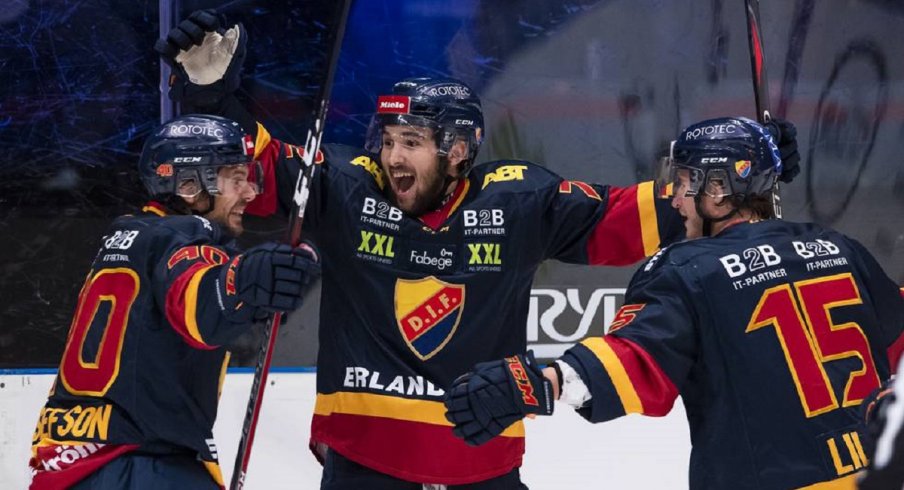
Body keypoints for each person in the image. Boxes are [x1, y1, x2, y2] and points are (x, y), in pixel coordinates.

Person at [154, 13, 800, 488]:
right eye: (386, 139)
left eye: (411, 141)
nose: (391, 155)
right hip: (364, 465)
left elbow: (648, 213)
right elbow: (256, 179)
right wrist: (218, 101)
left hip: (482, 466)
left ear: (459, 150)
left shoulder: (518, 200)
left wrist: (744, 171)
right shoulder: (346, 189)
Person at [444, 116, 904, 489]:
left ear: (720, 190)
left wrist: (538, 383)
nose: (676, 198)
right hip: (875, 475)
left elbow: (637, 360)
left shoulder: (687, 271)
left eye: (685, 183)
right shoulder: (840, 248)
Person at [28, 114, 320, 489]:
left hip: (73, 465)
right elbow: (200, 305)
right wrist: (244, 279)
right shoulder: (187, 236)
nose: (250, 193)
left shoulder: (129, 235)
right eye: (236, 179)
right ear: (188, 185)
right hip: (144, 468)